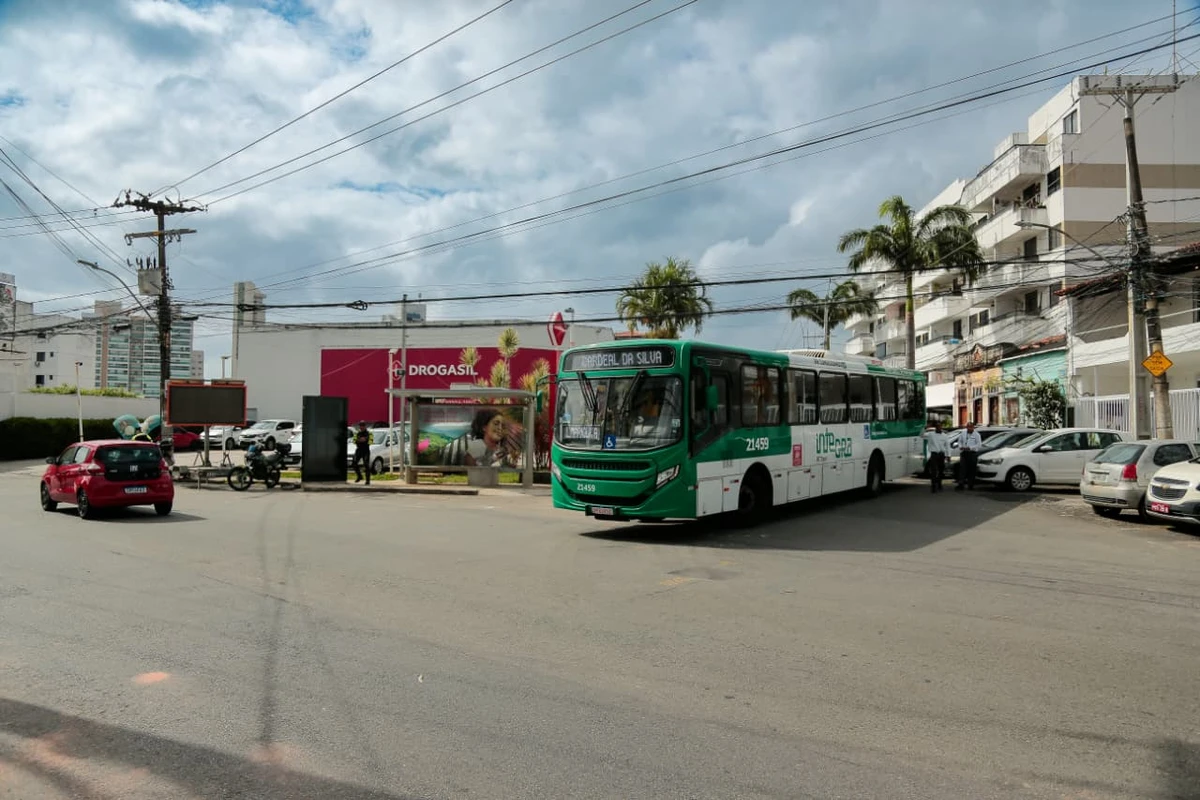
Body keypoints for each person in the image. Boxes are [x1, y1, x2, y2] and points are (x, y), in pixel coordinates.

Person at [922, 421, 950, 493]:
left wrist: (948, 455)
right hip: (934, 454)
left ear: (941, 427)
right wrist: (925, 428)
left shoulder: (944, 435)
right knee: (934, 471)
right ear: (935, 428)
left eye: (940, 426)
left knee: (941, 470)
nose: (938, 428)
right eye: (937, 426)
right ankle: (933, 486)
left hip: (941, 454)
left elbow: (947, 446)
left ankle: (939, 484)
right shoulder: (931, 434)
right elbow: (921, 435)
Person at [957, 421, 983, 491]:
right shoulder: (963, 433)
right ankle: (961, 484)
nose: (969, 428)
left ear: (973, 427)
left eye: (971, 427)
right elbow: (959, 441)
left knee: (972, 470)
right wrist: (961, 446)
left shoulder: (977, 435)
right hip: (964, 453)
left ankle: (970, 485)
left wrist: (970, 448)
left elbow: (979, 445)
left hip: (972, 454)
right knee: (962, 469)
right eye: (968, 427)